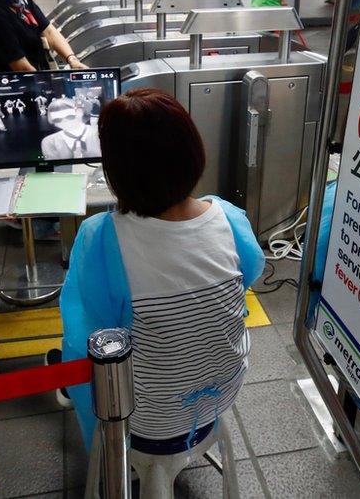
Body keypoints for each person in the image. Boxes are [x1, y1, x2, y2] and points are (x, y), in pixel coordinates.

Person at [58, 88, 266, 450]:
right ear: (192, 152)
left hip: (144, 420)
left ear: (117, 170)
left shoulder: (103, 237)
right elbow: (250, 272)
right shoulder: (227, 217)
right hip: (221, 395)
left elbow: (90, 333)